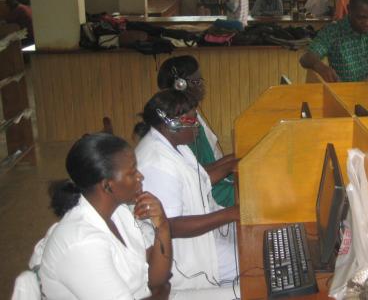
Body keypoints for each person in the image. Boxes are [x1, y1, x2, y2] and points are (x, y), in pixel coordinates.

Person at [35, 133, 172, 299]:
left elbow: (156, 279)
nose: (140, 176)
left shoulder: (120, 212)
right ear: (107, 186)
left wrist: (162, 226)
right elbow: (159, 287)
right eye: (132, 172)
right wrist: (161, 293)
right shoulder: (82, 243)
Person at [134, 90, 240, 293]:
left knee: (263, 239)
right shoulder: (156, 163)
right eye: (192, 120)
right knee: (258, 261)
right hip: (185, 258)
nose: (198, 124)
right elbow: (170, 226)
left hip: (204, 237)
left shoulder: (175, 145)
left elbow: (197, 179)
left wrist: (231, 163)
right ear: (172, 124)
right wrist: (231, 213)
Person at [157, 55, 237, 207]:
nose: (202, 86)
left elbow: (210, 161)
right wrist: (230, 165)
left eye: (201, 80)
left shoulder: (193, 115)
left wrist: (236, 160)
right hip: (210, 193)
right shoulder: (180, 126)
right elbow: (193, 176)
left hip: (217, 181)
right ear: (179, 85)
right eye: (196, 81)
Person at [299, 0, 368, 84]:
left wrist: (362, 86)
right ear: (349, 9)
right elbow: (306, 58)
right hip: (344, 96)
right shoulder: (333, 32)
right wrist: (321, 67)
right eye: (361, 17)